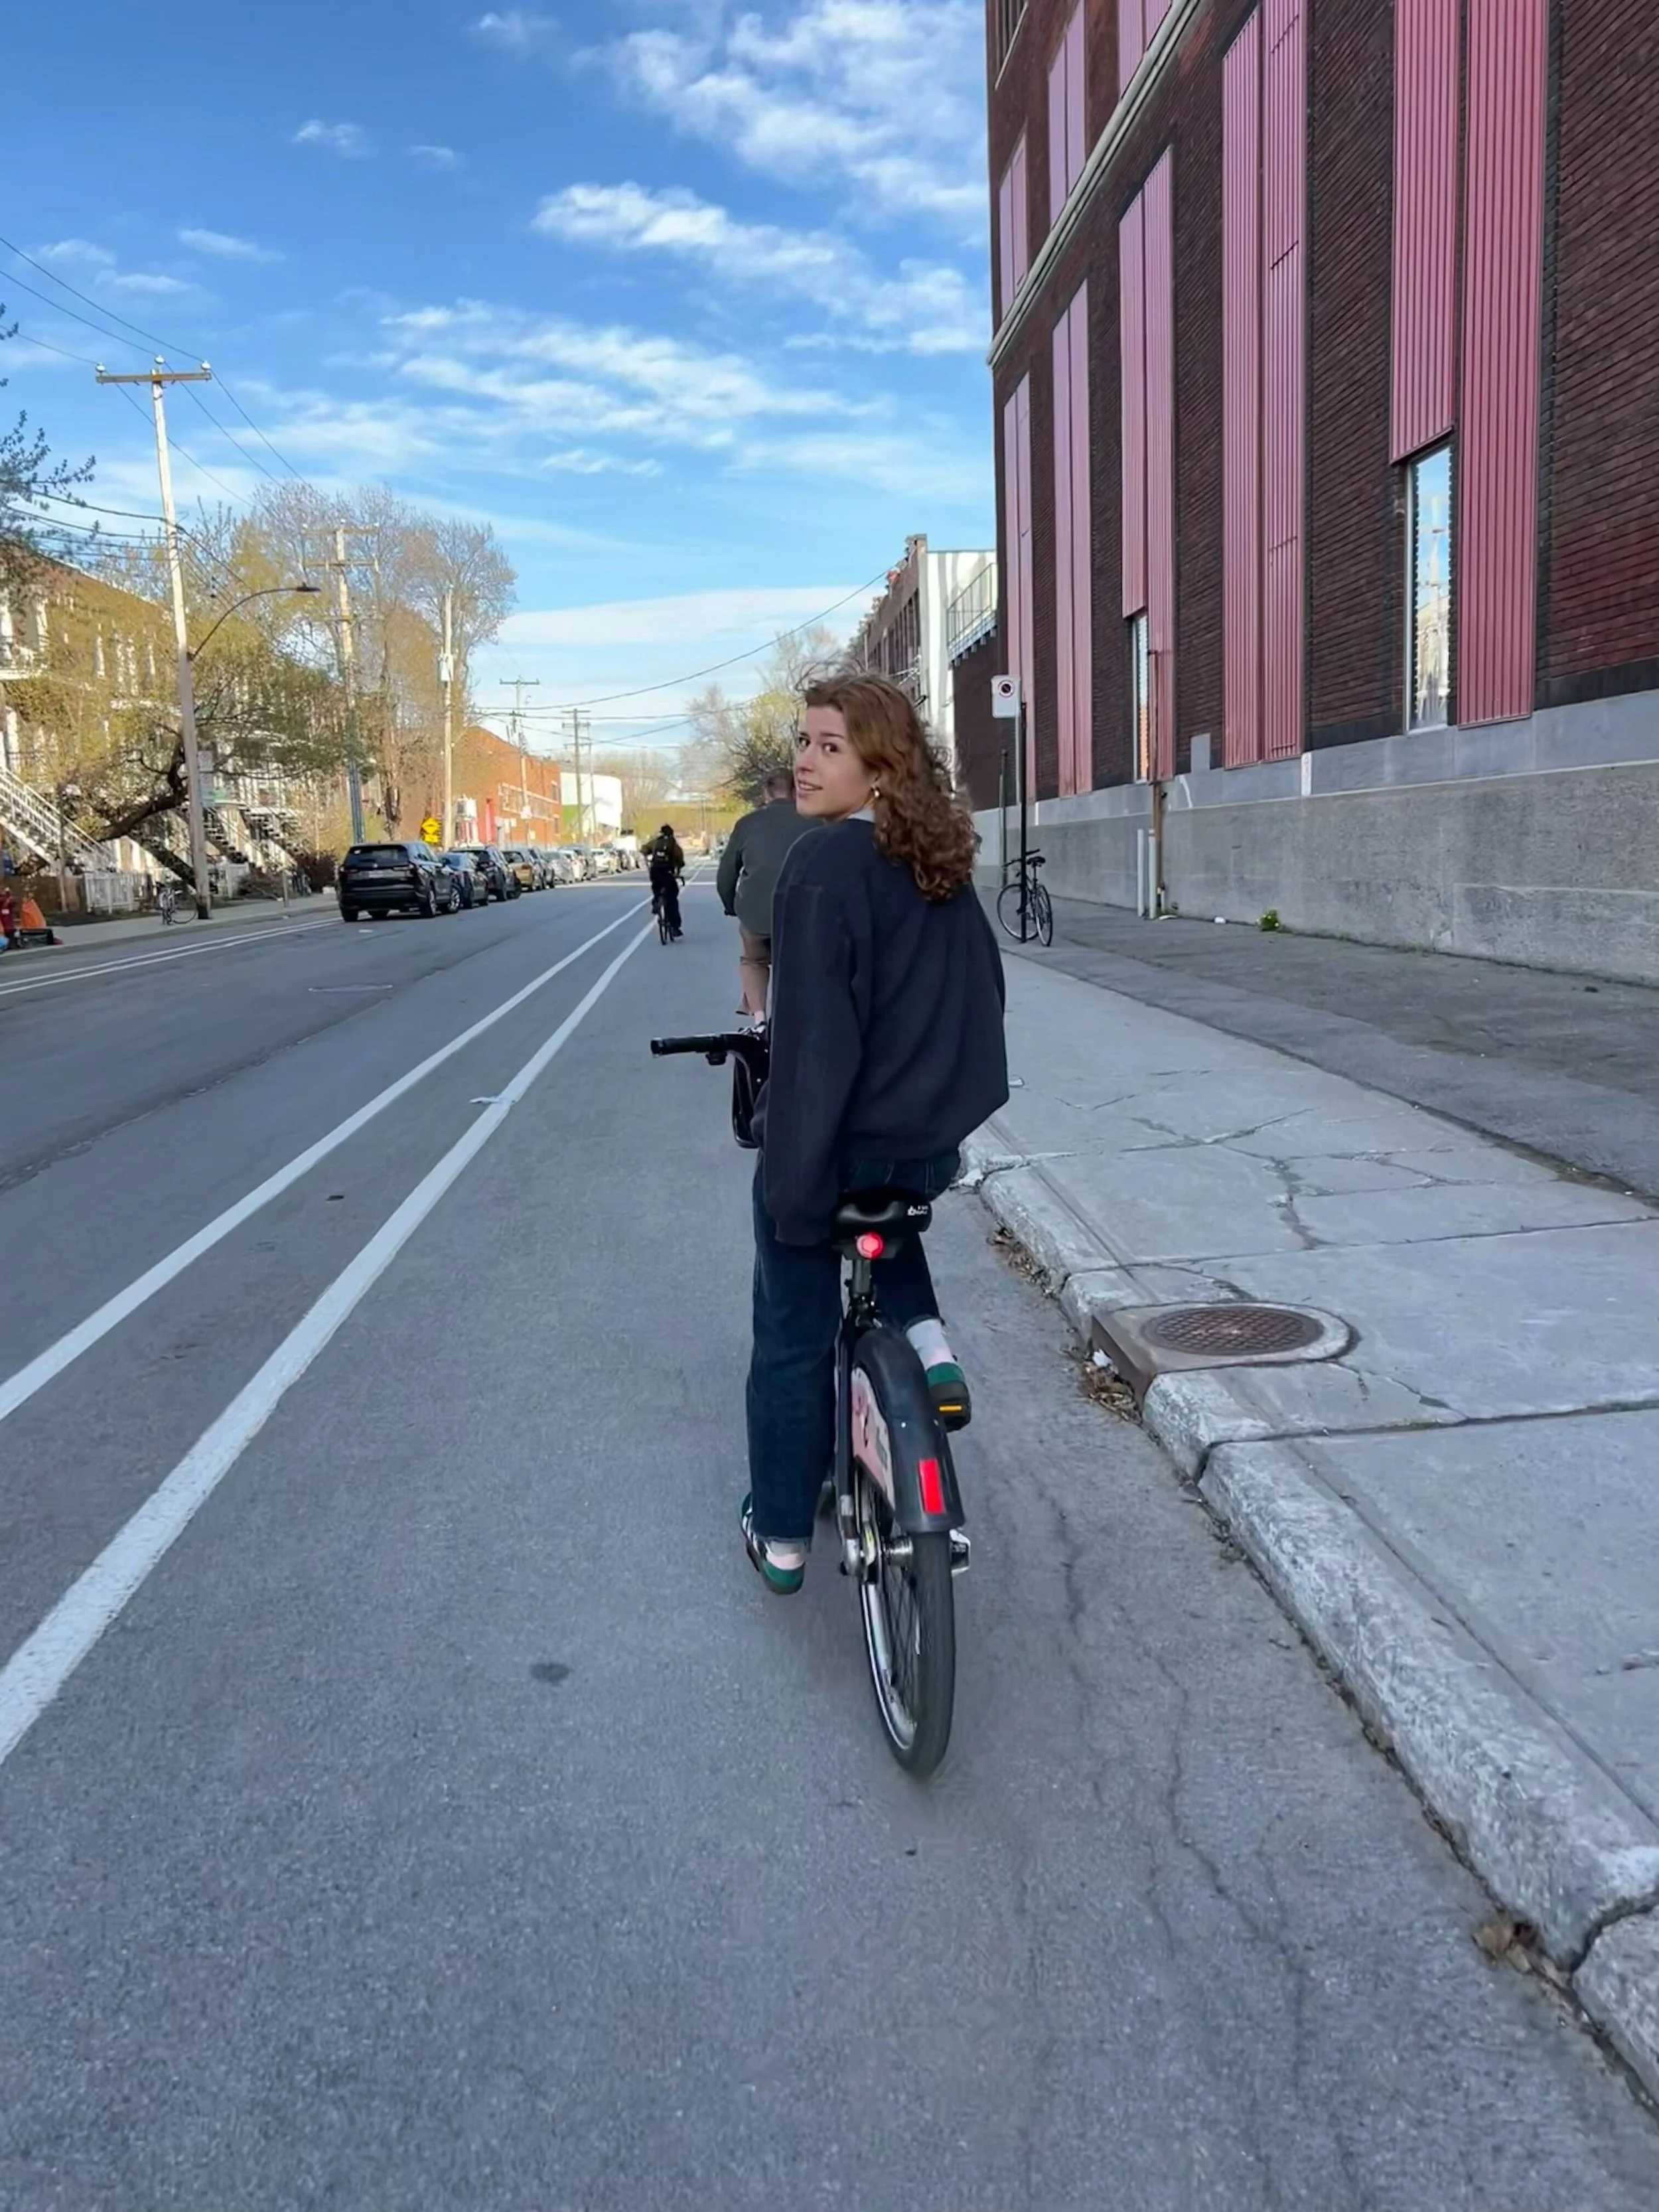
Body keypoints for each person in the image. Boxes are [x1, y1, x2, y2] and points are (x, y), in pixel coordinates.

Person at [741, 672, 1008, 1593]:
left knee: (790, 1327)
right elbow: (983, 1004)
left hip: (843, 1142)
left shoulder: (823, 867)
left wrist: (791, 1189)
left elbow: (815, 1048)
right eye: (803, 742)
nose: (804, 761)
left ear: (881, 766)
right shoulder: (937, 863)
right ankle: (929, 1345)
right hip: (922, 1148)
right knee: (885, 1216)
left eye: (829, 747)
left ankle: (780, 1532)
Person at [715, 767, 815, 1019]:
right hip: (803, 916)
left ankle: (759, 1018)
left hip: (756, 915)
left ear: (765, 793)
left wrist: (731, 906)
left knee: (754, 960)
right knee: (807, 962)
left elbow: (726, 874)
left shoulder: (747, 824)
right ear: (795, 791)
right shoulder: (816, 821)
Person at [647, 824, 684, 939]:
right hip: (668, 873)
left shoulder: (655, 842)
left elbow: (643, 849)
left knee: (656, 888)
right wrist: (678, 869)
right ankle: (675, 927)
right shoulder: (673, 845)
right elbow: (680, 860)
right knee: (672, 898)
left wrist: (649, 859)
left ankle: (656, 902)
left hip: (655, 872)